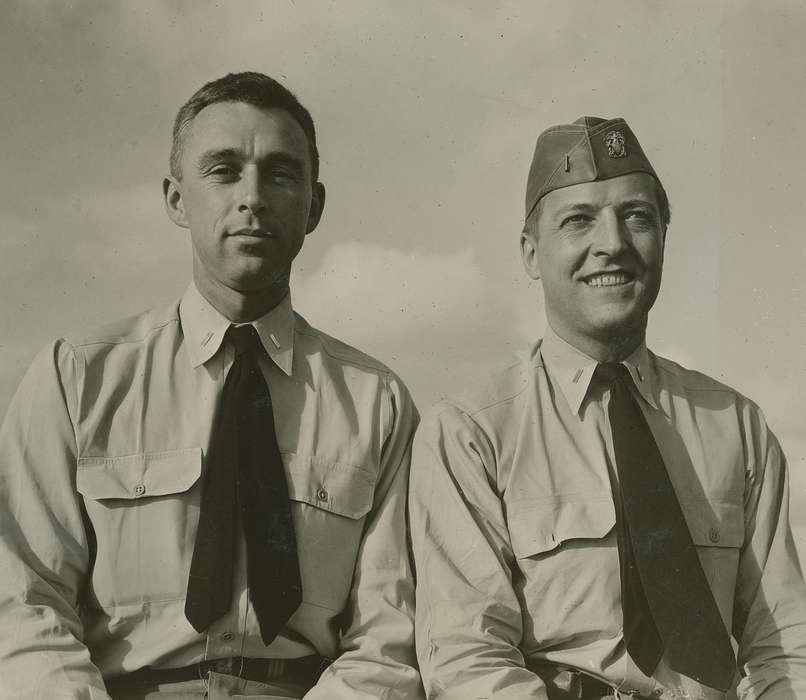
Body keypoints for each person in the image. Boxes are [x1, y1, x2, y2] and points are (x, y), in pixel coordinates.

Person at [0, 72, 422, 700]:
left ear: (314, 204)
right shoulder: (77, 382)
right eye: (223, 171)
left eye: (280, 174)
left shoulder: (376, 404)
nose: (252, 197)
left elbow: (388, 637)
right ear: (176, 199)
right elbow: (24, 600)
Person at [409, 116, 806, 699]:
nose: (613, 244)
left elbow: (784, 644)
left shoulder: (735, 426)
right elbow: (469, 657)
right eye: (578, 221)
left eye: (637, 218)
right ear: (530, 253)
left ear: (665, 240)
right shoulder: (472, 432)